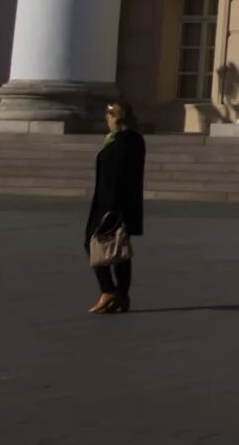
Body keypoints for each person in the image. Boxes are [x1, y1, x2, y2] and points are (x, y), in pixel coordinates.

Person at [85, 99, 145, 316]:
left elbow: (119, 177)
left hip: (112, 204)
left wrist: (112, 208)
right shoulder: (125, 139)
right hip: (115, 202)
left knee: (92, 243)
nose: (107, 121)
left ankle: (109, 291)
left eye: (108, 117)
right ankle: (121, 296)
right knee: (120, 250)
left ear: (116, 117)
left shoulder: (124, 140)